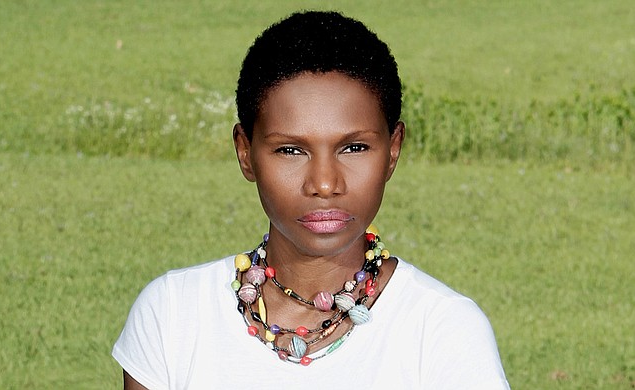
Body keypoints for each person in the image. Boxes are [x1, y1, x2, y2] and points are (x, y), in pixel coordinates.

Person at [112, 10, 510, 389]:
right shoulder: (174, 313)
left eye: (353, 148)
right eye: (290, 150)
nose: (323, 183)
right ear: (245, 152)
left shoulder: (444, 329)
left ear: (392, 150)